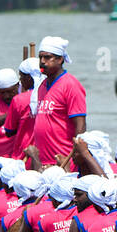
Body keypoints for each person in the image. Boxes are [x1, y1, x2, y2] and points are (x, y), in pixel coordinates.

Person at [21, 37, 87, 170]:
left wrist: (76, 156)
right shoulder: (42, 86)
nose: (42, 62)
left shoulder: (70, 85)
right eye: (40, 58)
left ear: (60, 59)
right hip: (43, 161)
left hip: (64, 161)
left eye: (47, 57)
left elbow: (80, 125)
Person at [0, 56, 43, 165]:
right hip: (45, 156)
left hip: (23, 157)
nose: (20, 80)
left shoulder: (19, 100)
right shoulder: (50, 94)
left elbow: (9, 131)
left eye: (21, 76)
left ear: (28, 78)